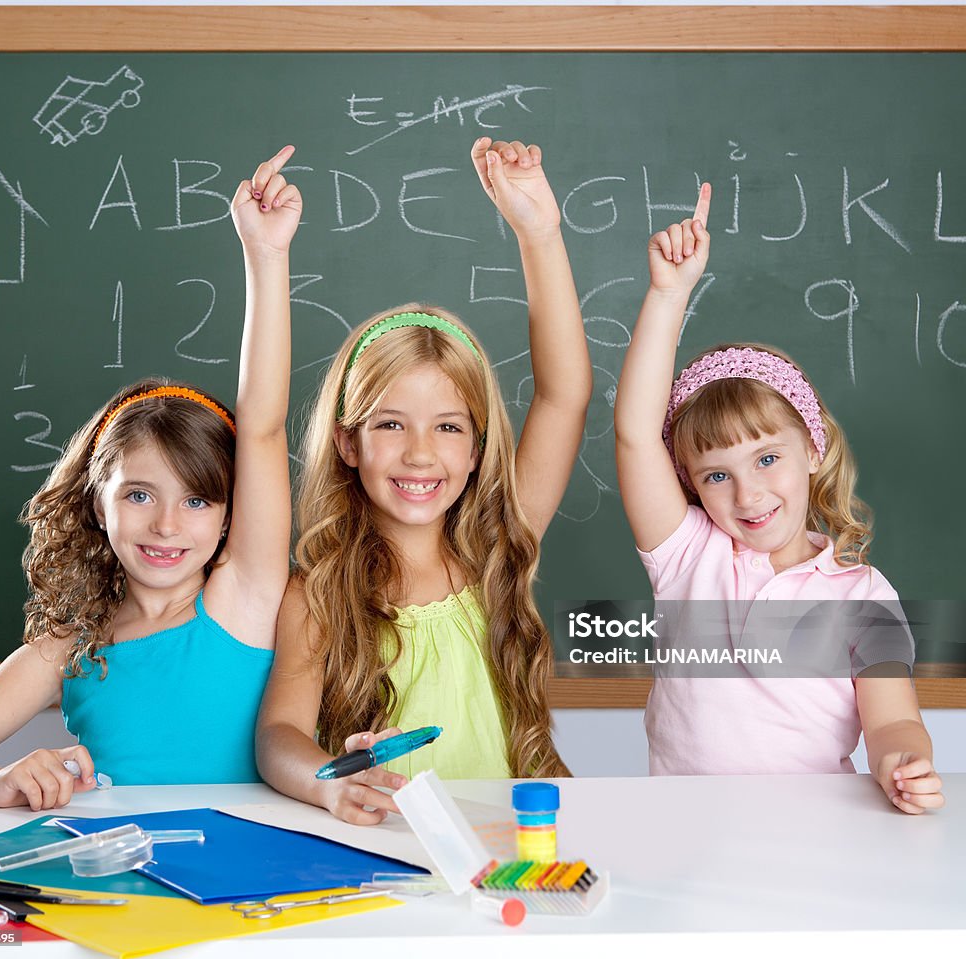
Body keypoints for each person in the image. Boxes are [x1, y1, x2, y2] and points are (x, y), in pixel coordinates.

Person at [0, 147, 300, 808]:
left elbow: (263, 425)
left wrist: (265, 256)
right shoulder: (70, 645)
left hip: (248, 895)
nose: (166, 524)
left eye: (197, 499)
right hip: (118, 890)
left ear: (229, 515)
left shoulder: (242, 601)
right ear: (97, 503)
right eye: (139, 494)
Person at [257, 137, 591, 824]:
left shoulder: (498, 544)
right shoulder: (320, 591)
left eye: (447, 426)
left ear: (477, 449)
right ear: (347, 441)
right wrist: (327, 778)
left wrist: (539, 232)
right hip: (384, 861)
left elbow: (564, 395)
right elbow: (276, 737)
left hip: (508, 854)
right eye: (389, 425)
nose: (419, 454)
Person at [614, 183, 944, 814]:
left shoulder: (863, 595)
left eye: (767, 459)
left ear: (813, 450)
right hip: (684, 830)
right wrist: (668, 294)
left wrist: (904, 761)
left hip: (812, 832)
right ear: (690, 484)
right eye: (716, 475)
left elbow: (891, 720)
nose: (748, 492)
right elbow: (634, 432)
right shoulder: (687, 555)